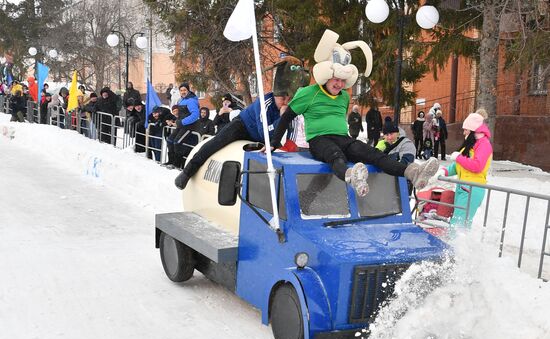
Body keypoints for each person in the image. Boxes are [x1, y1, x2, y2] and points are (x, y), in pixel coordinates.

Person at [270, 76, 438, 197]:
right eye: (336, 79)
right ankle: (353, 177)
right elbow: (287, 117)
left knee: (373, 154)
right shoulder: (309, 93)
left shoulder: (344, 96)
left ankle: (412, 172)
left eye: (343, 81)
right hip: (319, 139)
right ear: (326, 77)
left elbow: (340, 116)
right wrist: (274, 142)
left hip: (343, 137)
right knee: (335, 156)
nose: (340, 84)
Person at [174, 56, 309, 189]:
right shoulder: (265, 103)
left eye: (290, 98)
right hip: (243, 126)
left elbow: (292, 128)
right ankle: (188, 171)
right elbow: (265, 133)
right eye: (282, 98)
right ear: (275, 94)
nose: (286, 101)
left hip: (265, 135)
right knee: (217, 142)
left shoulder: (290, 107)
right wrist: (282, 118)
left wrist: (289, 144)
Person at [441, 112, 493, 227]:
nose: (464, 132)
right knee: (459, 222)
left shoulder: (484, 144)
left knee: (459, 224)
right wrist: (444, 171)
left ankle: (456, 245)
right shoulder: (471, 144)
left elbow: (477, 166)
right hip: (464, 187)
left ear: (473, 130)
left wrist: (459, 158)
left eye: (466, 130)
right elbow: (460, 166)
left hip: (472, 188)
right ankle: (457, 244)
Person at [165, 83, 200, 168]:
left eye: (184, 90)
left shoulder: (191, 100)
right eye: (181, 90)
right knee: (170, 140)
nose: (183, 92)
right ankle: (170, 161)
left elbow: (195, 115)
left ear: (188, 90)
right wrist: (174, 121)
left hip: (189, 127)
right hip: (181, 126)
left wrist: (182, 122)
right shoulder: (181, 100)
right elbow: (180, 114)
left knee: (177, 142)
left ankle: (176, 165)